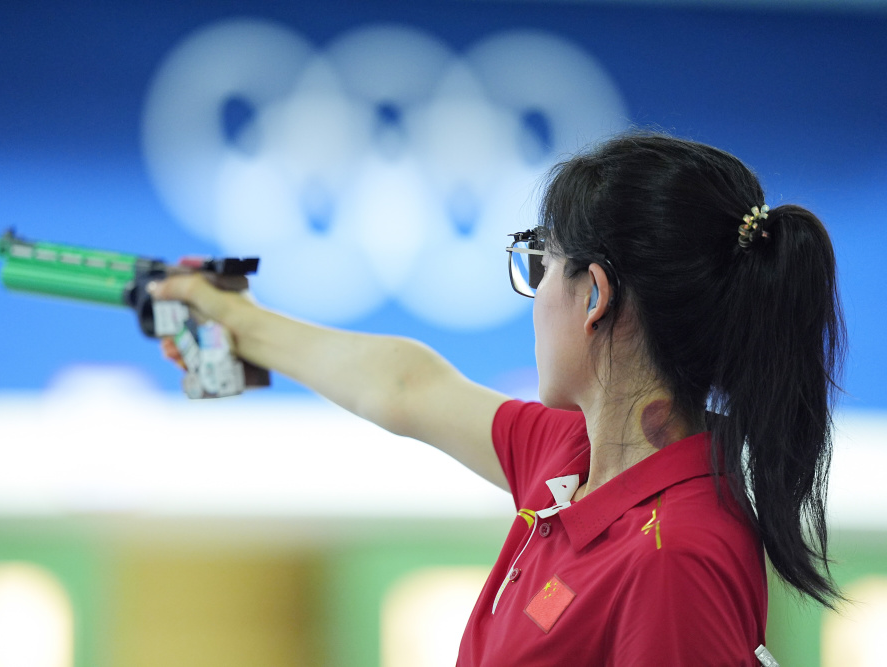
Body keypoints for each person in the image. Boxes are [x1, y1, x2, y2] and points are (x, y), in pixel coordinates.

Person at [148, 133, 844, 666]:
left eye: (541, 264)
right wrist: (240, 321)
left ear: (594, 294)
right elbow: (405, 386)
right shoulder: (574, 456)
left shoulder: (674, 554)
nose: (534, 294)